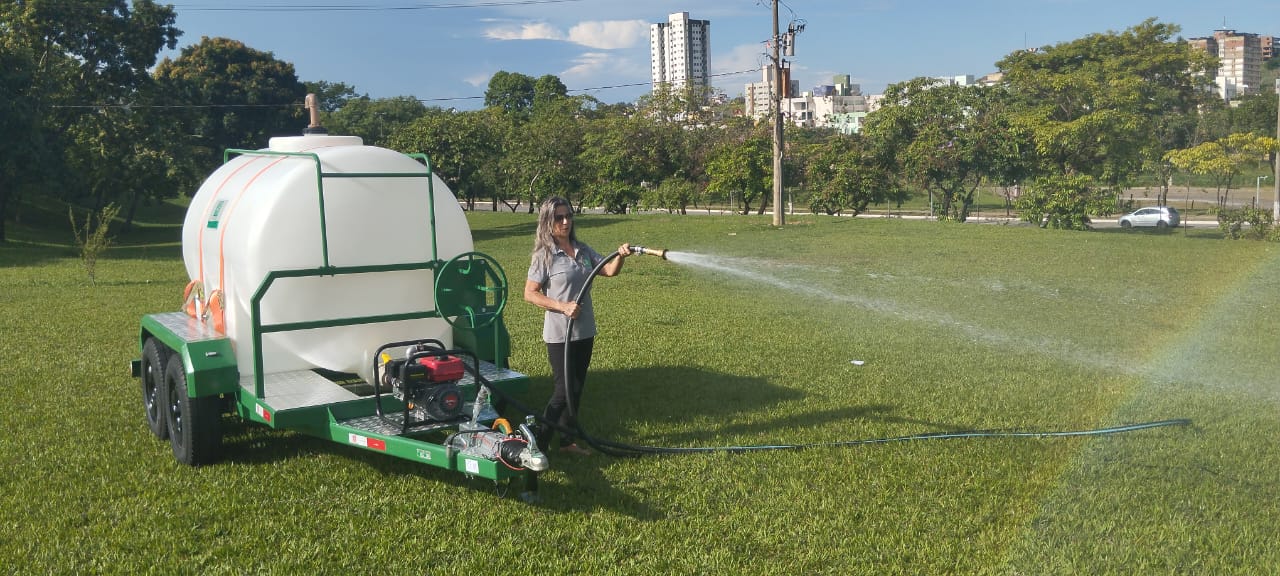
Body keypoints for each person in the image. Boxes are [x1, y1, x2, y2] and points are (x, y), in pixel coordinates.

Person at [523, 197, 630, 456]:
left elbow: (608, 271)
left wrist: (621, 255)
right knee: (562, 391)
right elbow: (530, 293)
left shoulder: (582, 250)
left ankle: (567, 442)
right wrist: (562, 306)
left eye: (568, 216)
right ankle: (538, 443)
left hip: (584, 332)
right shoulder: (544, 256)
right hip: (560, 335)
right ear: (547, 222)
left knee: (577, 388)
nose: (565, 221)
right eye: (559, 217)